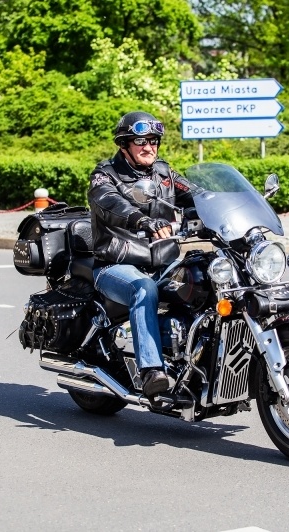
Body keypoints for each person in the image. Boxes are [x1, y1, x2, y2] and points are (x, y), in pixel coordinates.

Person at [88, 111, 200, 398]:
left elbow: (197, 194)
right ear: (124, 144)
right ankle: (151, 369)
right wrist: (142, 220)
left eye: (153, 140)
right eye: (141, 141)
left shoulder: (164, 174)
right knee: (144, 289)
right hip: (115, 264)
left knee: (204, 278)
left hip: (162, 262)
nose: (149, 147)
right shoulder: (104, 176)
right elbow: (110, 203)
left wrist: (229, 207)